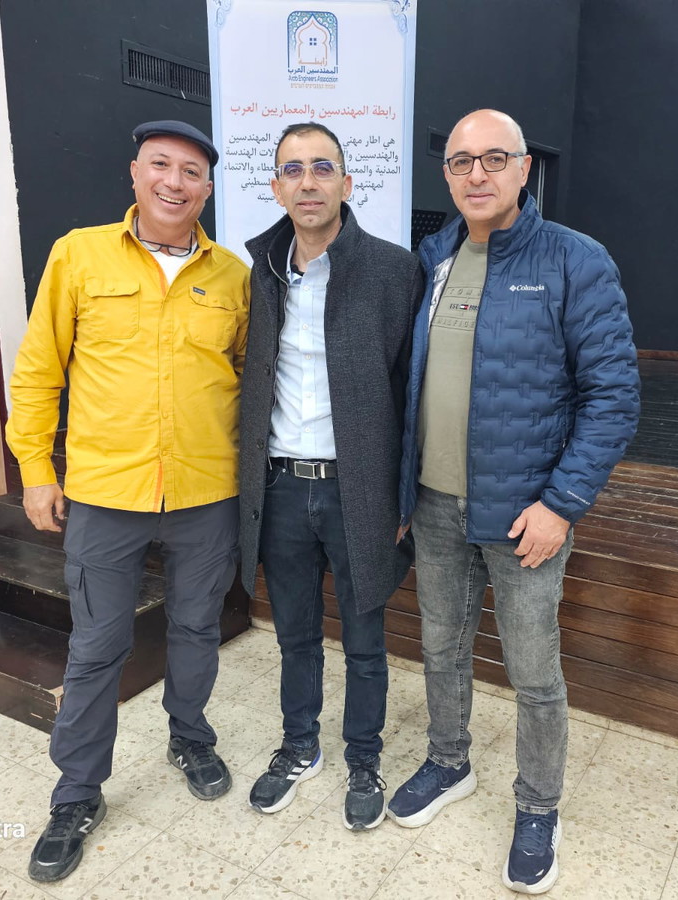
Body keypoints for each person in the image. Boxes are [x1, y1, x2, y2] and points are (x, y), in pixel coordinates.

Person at [388, 109, 640, 894]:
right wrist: (402, 488)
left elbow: (614, 396)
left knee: (533, 673)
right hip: (435, 507)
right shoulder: (433, 258)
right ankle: (448, 762)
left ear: (525, 169)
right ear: (447, 175)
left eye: (494, 158)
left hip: (526, 514)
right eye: (461, 161)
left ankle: (538, 806)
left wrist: (561, 504)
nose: (477, 174)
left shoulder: (574, 260)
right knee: (441, 647)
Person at [5, 120, 250, 883]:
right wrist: (35, 466)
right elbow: (39, 367)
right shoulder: (78, 254)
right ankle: (77, 792)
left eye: (192, 172)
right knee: (97, 645)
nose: (175, 182)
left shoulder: (233, 276)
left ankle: (190, 737)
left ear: (208, 189)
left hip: (206, 492)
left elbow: (250, 379)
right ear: (135, 173)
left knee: (198, 628)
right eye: (161, 166)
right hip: (107, 493)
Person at [237, 122, 421, 831]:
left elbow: (411, 393)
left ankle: (364, 757)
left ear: (346, 183)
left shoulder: (393, 270)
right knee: (294, 634)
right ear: (276, 187)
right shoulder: (258, 272)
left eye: (322, 168)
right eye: (293, 169)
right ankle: (299, 746)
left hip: (359, 489)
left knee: (366, 638)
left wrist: (402, 494)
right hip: (281, 487)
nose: (307, 182)